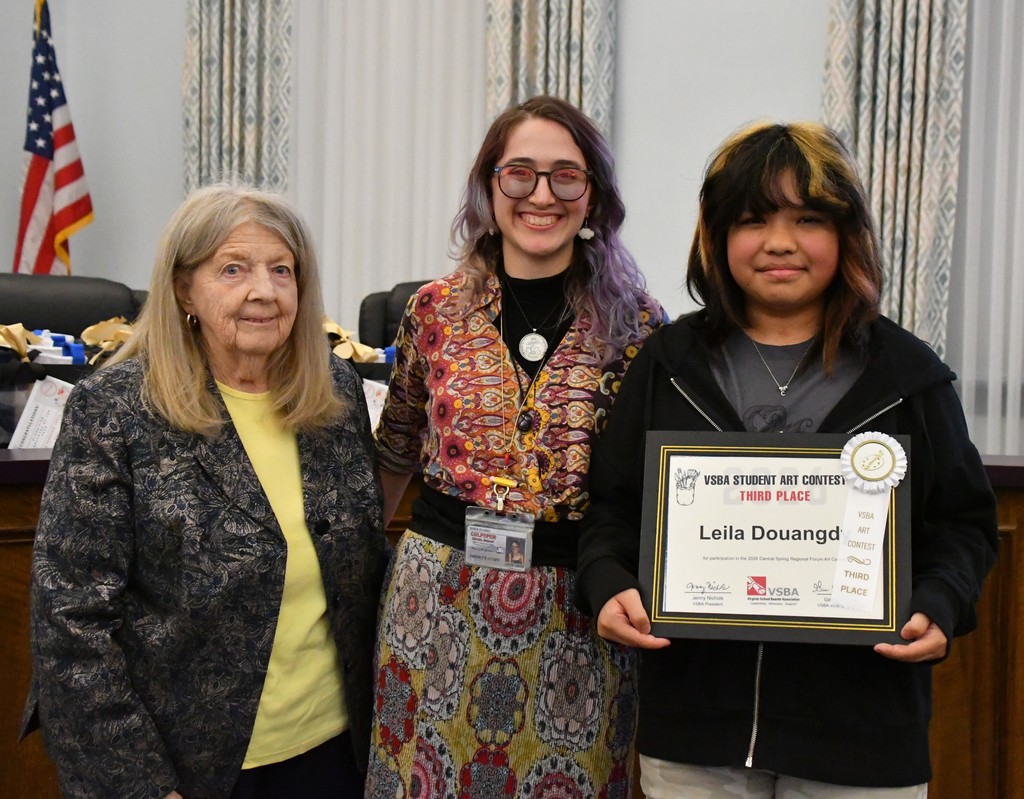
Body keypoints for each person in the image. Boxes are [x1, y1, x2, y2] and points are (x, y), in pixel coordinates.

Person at [575, 121, 999, 797]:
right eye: (752, 218)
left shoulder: (909, 375)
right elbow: (614, 509)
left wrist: (939, 602)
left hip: (861, 735)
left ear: (845, 234)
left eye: (807, 218)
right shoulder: (667, 364)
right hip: (695, 731)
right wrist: (606, 579)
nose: (779, 241)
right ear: (716, 237)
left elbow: (965, 526)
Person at [24, 184, 390, 799]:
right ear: (183, 289)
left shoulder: (335, 392)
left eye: (281, 270)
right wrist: (141, 785)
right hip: (187, 767)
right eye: (232, 269)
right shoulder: (116, 409)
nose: (263, 291)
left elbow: (362, 569)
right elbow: (70, 624)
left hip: (334, 753)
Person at [366, 96, 663, 797]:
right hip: (436, 603)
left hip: (581, 612)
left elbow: (656, 481)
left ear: (593, 195)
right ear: (489, 186)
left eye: (566, 176)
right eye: (519, 173)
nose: (541, 194)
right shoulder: (433, 310)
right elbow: (395, 451)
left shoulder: (639, 324)